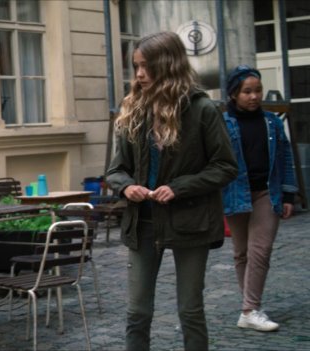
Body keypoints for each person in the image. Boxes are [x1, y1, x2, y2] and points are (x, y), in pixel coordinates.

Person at [106, 31, 238, 350]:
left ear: (168, 65)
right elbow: (115, 171)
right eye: (136, 66)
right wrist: (128, 187)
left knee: (190, 311)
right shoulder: (133, 110)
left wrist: (178, 187)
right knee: (137, 312)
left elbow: (225, 166)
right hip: (143, 222)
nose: (139, 74)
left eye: (146, 66)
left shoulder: (202, 109)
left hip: (190, 221)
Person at [221, 65, 297, 332]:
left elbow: (285, 157)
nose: (254, 96)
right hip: (236, 193)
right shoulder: (222, 124)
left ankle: (249, 309)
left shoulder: (272, 122)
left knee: (260, 250)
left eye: (258, 90)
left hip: (267, 192)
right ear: (234, 94)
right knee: (241, 253)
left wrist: (289, 194)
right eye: (247, 91)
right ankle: (250, 309)